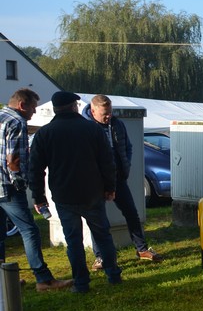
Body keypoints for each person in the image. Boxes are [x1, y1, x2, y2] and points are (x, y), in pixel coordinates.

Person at [29, 91, 122, 293]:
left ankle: (81, 283)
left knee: (73, 241)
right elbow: (107, 162)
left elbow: (35, 169)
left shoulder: (44, 134)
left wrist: (39, 197)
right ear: (74, 107)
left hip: (64, 195)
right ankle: (113, 275)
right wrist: (110, 187)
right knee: (103, 236)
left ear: (55, 109)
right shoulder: (92, 129)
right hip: (92, 192)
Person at [0, 89, 73, 292]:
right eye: (32, 107)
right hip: (7, 187)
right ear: (22, 105)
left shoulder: (1, 116)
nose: (34, 112)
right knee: (29, 231)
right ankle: (43, 279)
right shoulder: (17, 121)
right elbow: (13, 159)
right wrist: (20, 184)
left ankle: (3, 279)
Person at [82, 94, 162, 270]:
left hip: (118, 178)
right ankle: (100, 256)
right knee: (98, 219)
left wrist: (126, 165)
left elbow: (127, 147)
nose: (108, 116)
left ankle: (141, 249)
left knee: (131, 213)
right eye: (104, 114)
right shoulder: (85, 127)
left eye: (110, 112)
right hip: (95, 181)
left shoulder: (117, 124)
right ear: (93, 111)